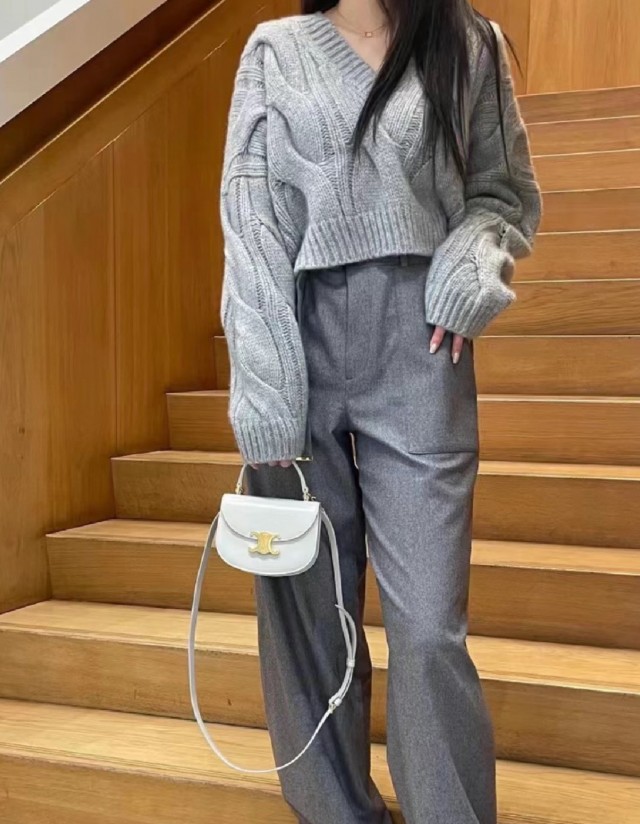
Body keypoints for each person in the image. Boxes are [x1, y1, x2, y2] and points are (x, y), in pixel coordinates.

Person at [218, 0, 542, 821]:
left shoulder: (467, 42)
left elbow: (503, 193)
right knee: (309, 619)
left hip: (420, 344)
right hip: (300, 341)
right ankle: (336, 811)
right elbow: (250, 223)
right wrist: (265, 382)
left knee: (429, 627)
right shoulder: (275, 50)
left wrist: (470, 267)